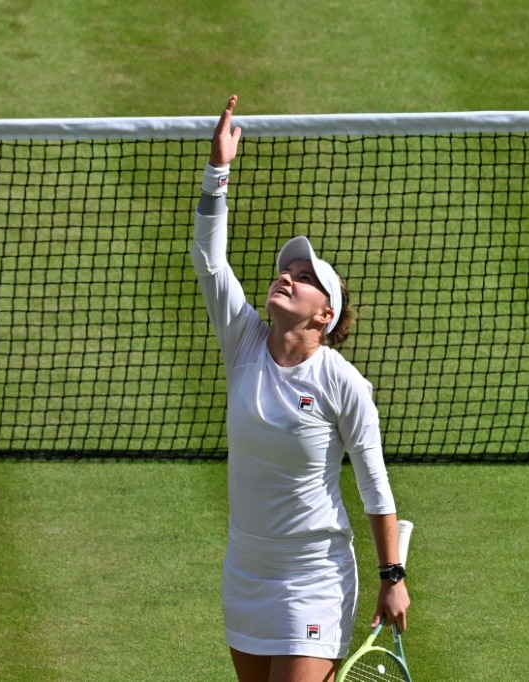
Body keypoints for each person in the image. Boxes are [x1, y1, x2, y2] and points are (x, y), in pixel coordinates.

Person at [191, 95, 410, 682]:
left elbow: (374, 484)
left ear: (324, 317)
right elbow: (210, 262)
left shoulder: (344, 385)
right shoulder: (244, 342)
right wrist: (219, 172)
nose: (288, 275)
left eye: (307, 278)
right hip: (246, 568)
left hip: (314, 576)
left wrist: (393, 578)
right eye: (290, 269)